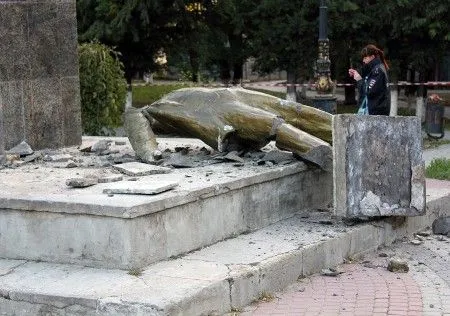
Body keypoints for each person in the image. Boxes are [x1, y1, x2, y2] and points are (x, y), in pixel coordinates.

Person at [348, 44, 390, 115]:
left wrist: (358, 79)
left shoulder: (378, 71)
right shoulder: (376, 68)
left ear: (372, 57)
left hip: (376, 113)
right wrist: (357, 73)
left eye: (365, 58)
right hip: (376, 111)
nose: (363, 61)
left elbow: (368, 90)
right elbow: (366, 75)